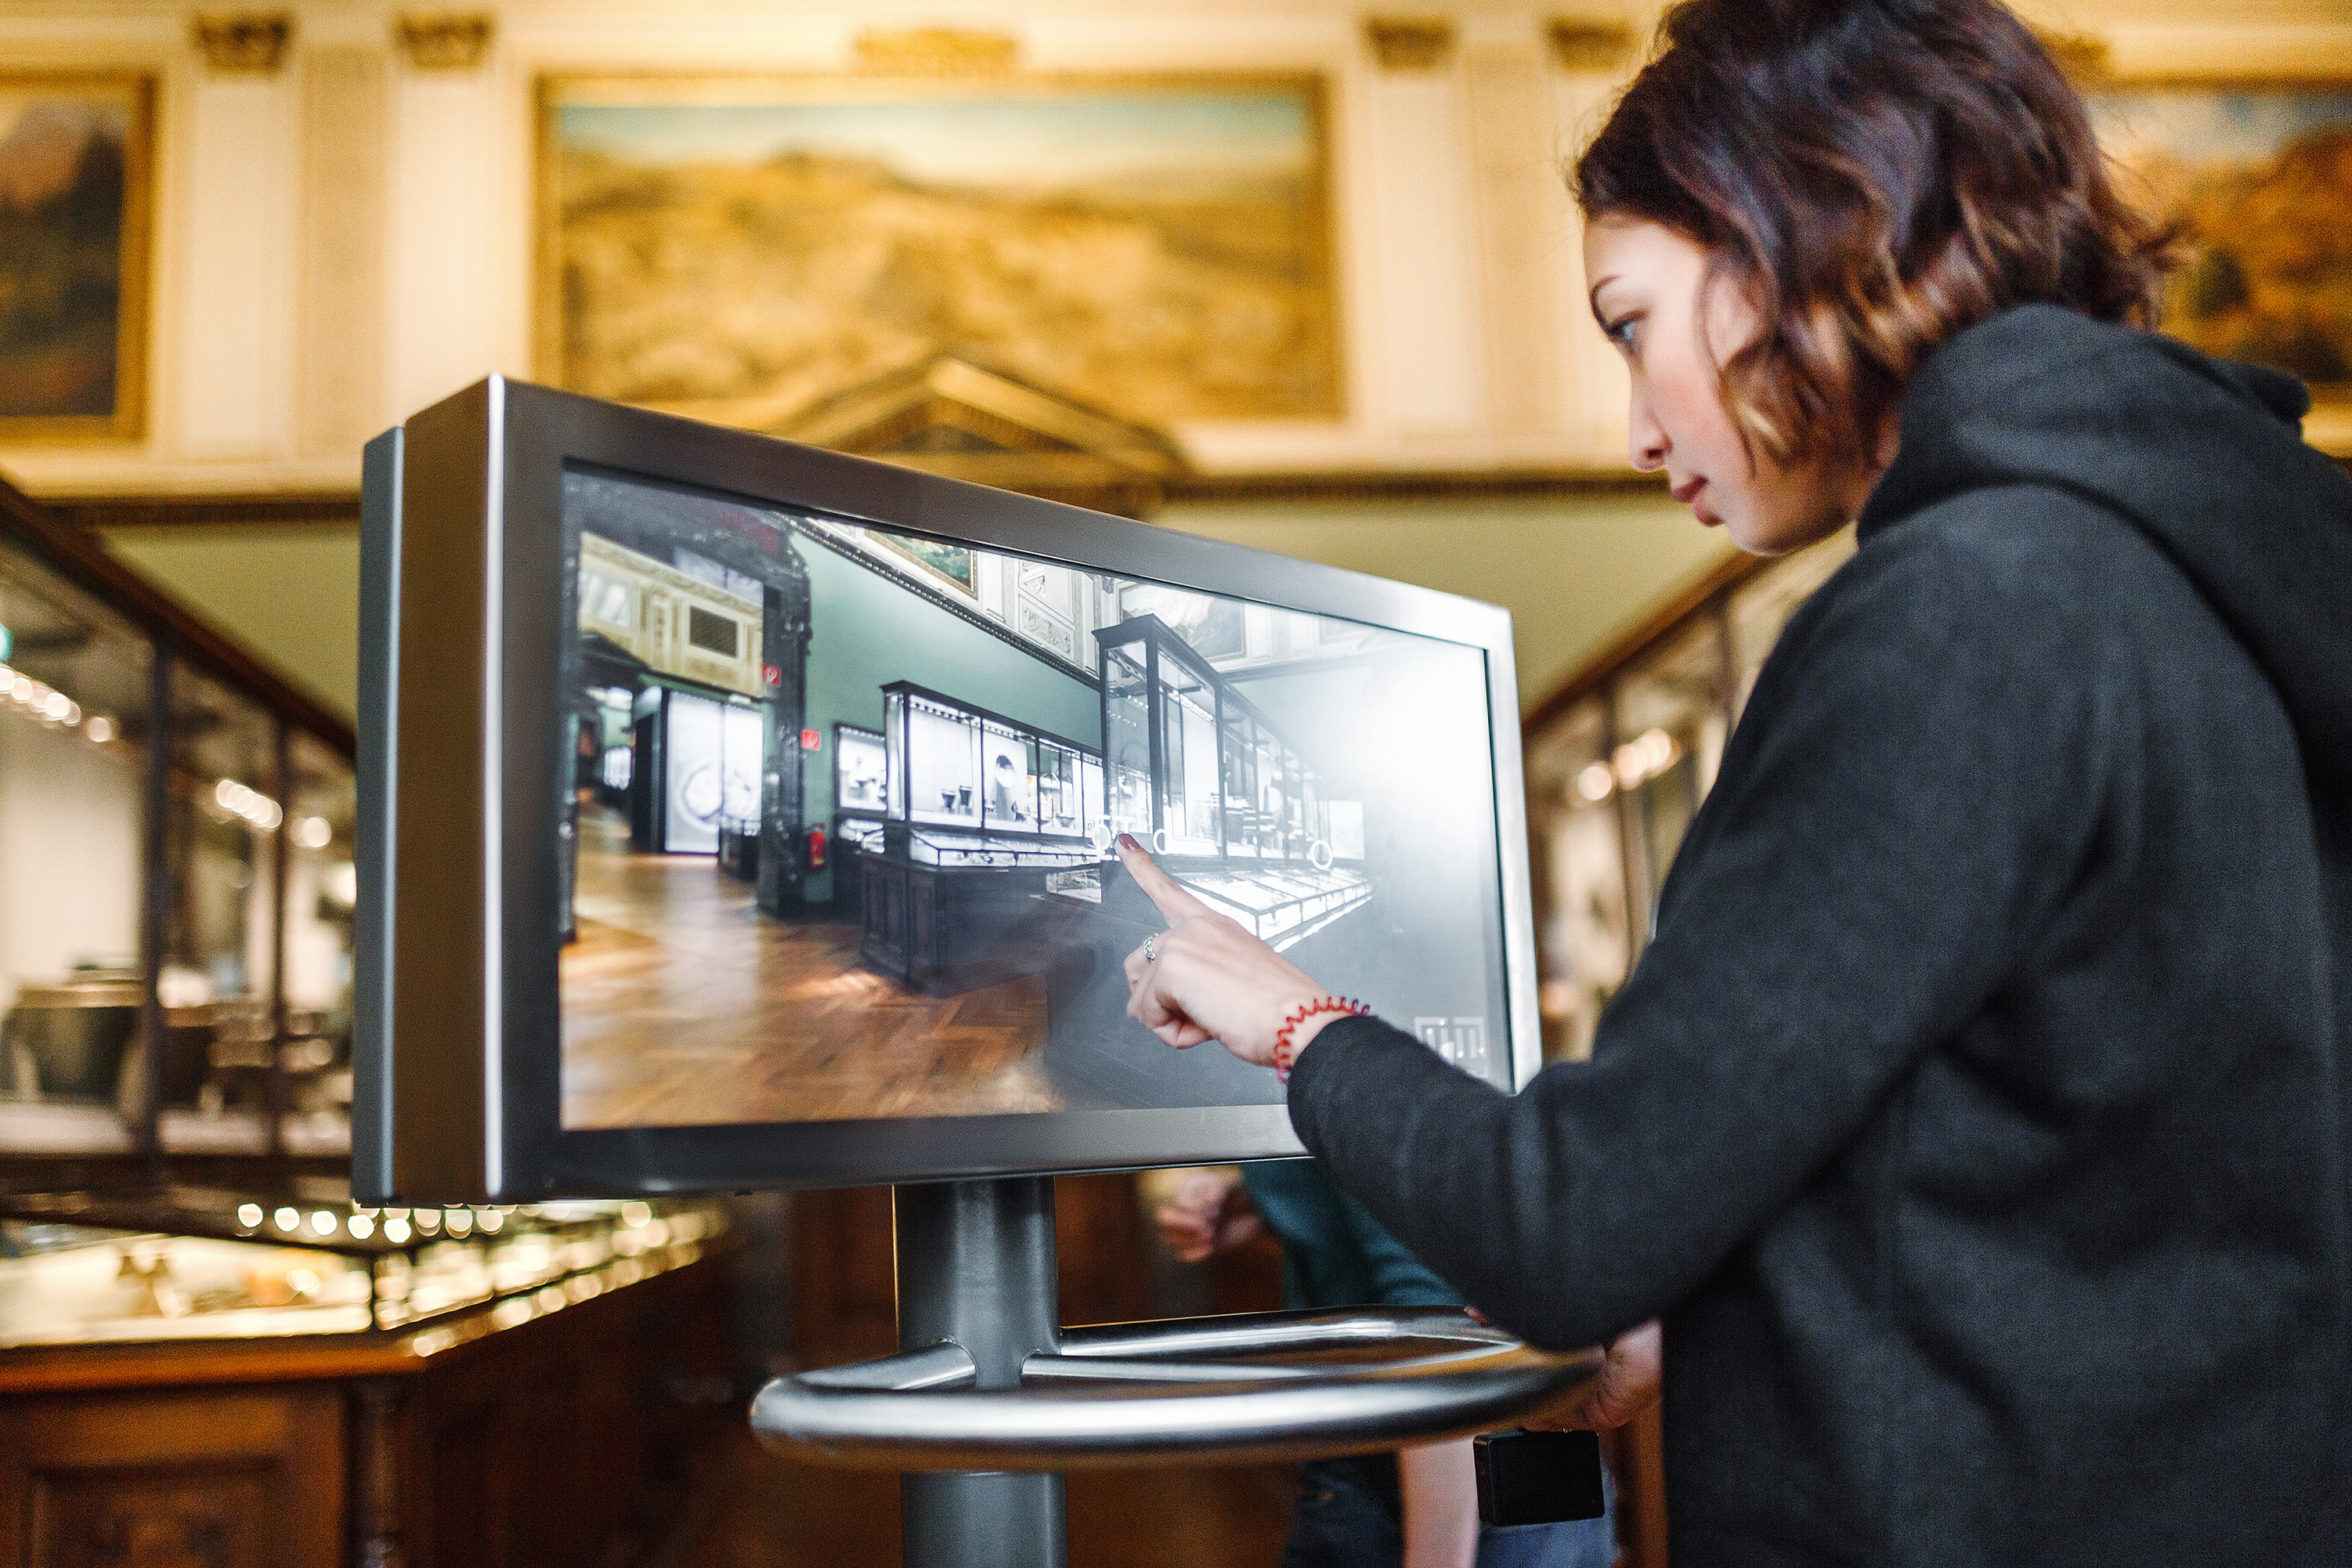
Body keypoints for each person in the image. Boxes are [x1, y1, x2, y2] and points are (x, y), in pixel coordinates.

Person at [1112, 0, 2352, 1563]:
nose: (1635, 429)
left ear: (1799, 238)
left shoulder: (1966, 606)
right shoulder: (2183, 560)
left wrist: (1287, 1014)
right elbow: (2050, 1178)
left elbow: (1566, 1226)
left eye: (1629, 322)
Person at [1154, 1162, 1617, 1568]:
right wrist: (1264, 1205)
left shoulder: (1356, 1071)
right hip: (1364, 1461)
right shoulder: (1293, 1075)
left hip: (1477, 1478)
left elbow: (1438, 1334)